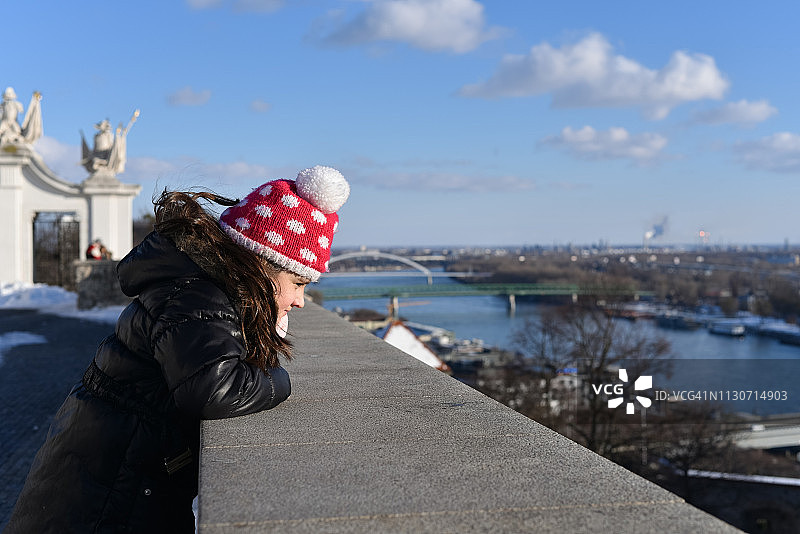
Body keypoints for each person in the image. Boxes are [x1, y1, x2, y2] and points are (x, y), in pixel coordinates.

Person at [6, 165, 350, 533]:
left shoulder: (201, 283)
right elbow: (211, 389)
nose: (300, 300)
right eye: (297, 283)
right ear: (262, 266)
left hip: (109, 463)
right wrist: (277, 380)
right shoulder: (200, 294)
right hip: (112, 484)